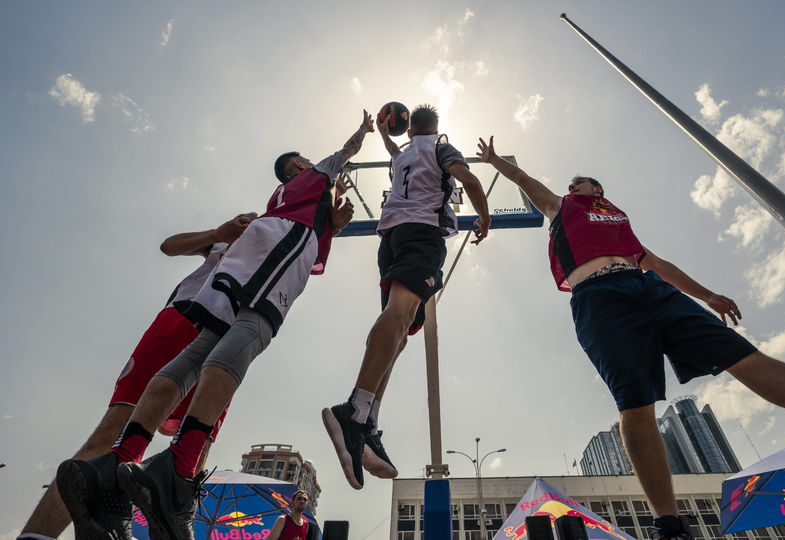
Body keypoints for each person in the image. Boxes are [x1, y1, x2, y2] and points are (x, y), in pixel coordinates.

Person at [476, 135, 785, 540]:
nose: (572, 187)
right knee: (636, 404)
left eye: (579, 183)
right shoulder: (561, 207)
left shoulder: (616, 217)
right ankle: (670, 523)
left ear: (598, 189)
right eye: (570, 184)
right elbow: (528, 181)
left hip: (648, 288)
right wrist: (496, 160)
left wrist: (708, 295)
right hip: (599, 298)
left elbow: (655, 262)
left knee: (747, 359)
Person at [56, 110, 370, 540]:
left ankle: (117, 463)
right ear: (298, 164)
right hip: (281, 243)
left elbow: (317, 240)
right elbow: (345, 153)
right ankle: (178, 471)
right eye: (307, 158)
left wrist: (331, 224)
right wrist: (363, 132)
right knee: (252, 332)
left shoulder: (285, 198)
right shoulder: (312, 177)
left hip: (254, 249)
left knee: (203, 347)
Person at [18, 214, 255, 540]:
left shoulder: (283, 242)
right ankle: (37, 535)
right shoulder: (227, 241)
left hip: (232, 339)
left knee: (194, 457)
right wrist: (218, 232)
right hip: (187, 315)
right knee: (114, 430)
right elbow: (169, 246)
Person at [323, 104, 492, 490]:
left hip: (393, 238)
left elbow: (392, 150)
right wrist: (485, 216)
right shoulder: (440, 148)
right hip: (421, 233)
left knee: (399, 334)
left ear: (408, 128)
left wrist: (381, 132)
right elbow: (469, 180)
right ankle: (352, 410)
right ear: (437, 128)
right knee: (399, 316)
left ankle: (367, 420)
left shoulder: (403, 156)